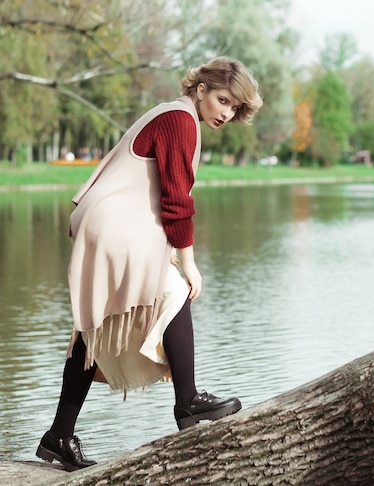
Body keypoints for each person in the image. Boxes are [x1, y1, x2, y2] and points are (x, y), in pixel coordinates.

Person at [35, 57, 263, 472]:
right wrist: (190, 263)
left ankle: (58, 435)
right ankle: (189, 402)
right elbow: (177, 201)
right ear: (201, 90)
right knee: (176, 291)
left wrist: (172, 251)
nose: (226, 113)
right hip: (115, 223)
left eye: (234, 108)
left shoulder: (174, 114)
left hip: (111, 221)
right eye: (222, 100)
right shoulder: (180, 120)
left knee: (97, 324)